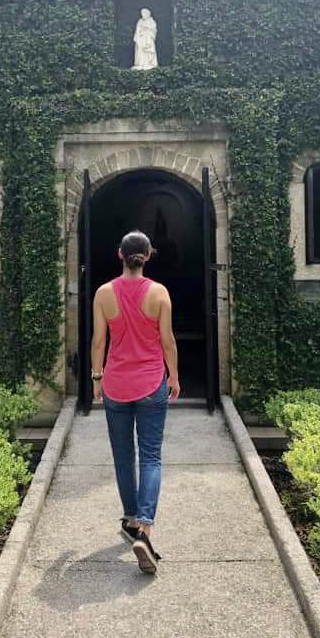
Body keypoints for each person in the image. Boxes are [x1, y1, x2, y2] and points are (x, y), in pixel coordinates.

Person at [91, 229, 180, 574]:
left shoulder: (103, 293)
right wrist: (172, 376)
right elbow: (168, 340)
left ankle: (131, 521)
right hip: (150, 383)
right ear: (148, 255)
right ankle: (144, 527)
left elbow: (99, 342)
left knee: (123, 457)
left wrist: (97, 378)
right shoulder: (159, 293)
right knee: (151, 457)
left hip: (115, 383)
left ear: (119, 255)